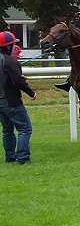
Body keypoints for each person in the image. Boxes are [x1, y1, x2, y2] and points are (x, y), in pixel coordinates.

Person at [1, 29, 36, 165]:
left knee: (7, 130)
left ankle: (10, 157)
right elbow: (19, 81)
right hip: (12, 102)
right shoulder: (10, 61)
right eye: (13, 44)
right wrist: (31, 93)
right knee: (25, 128)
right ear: (9, 46)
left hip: (1, 104)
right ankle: (23, 158)